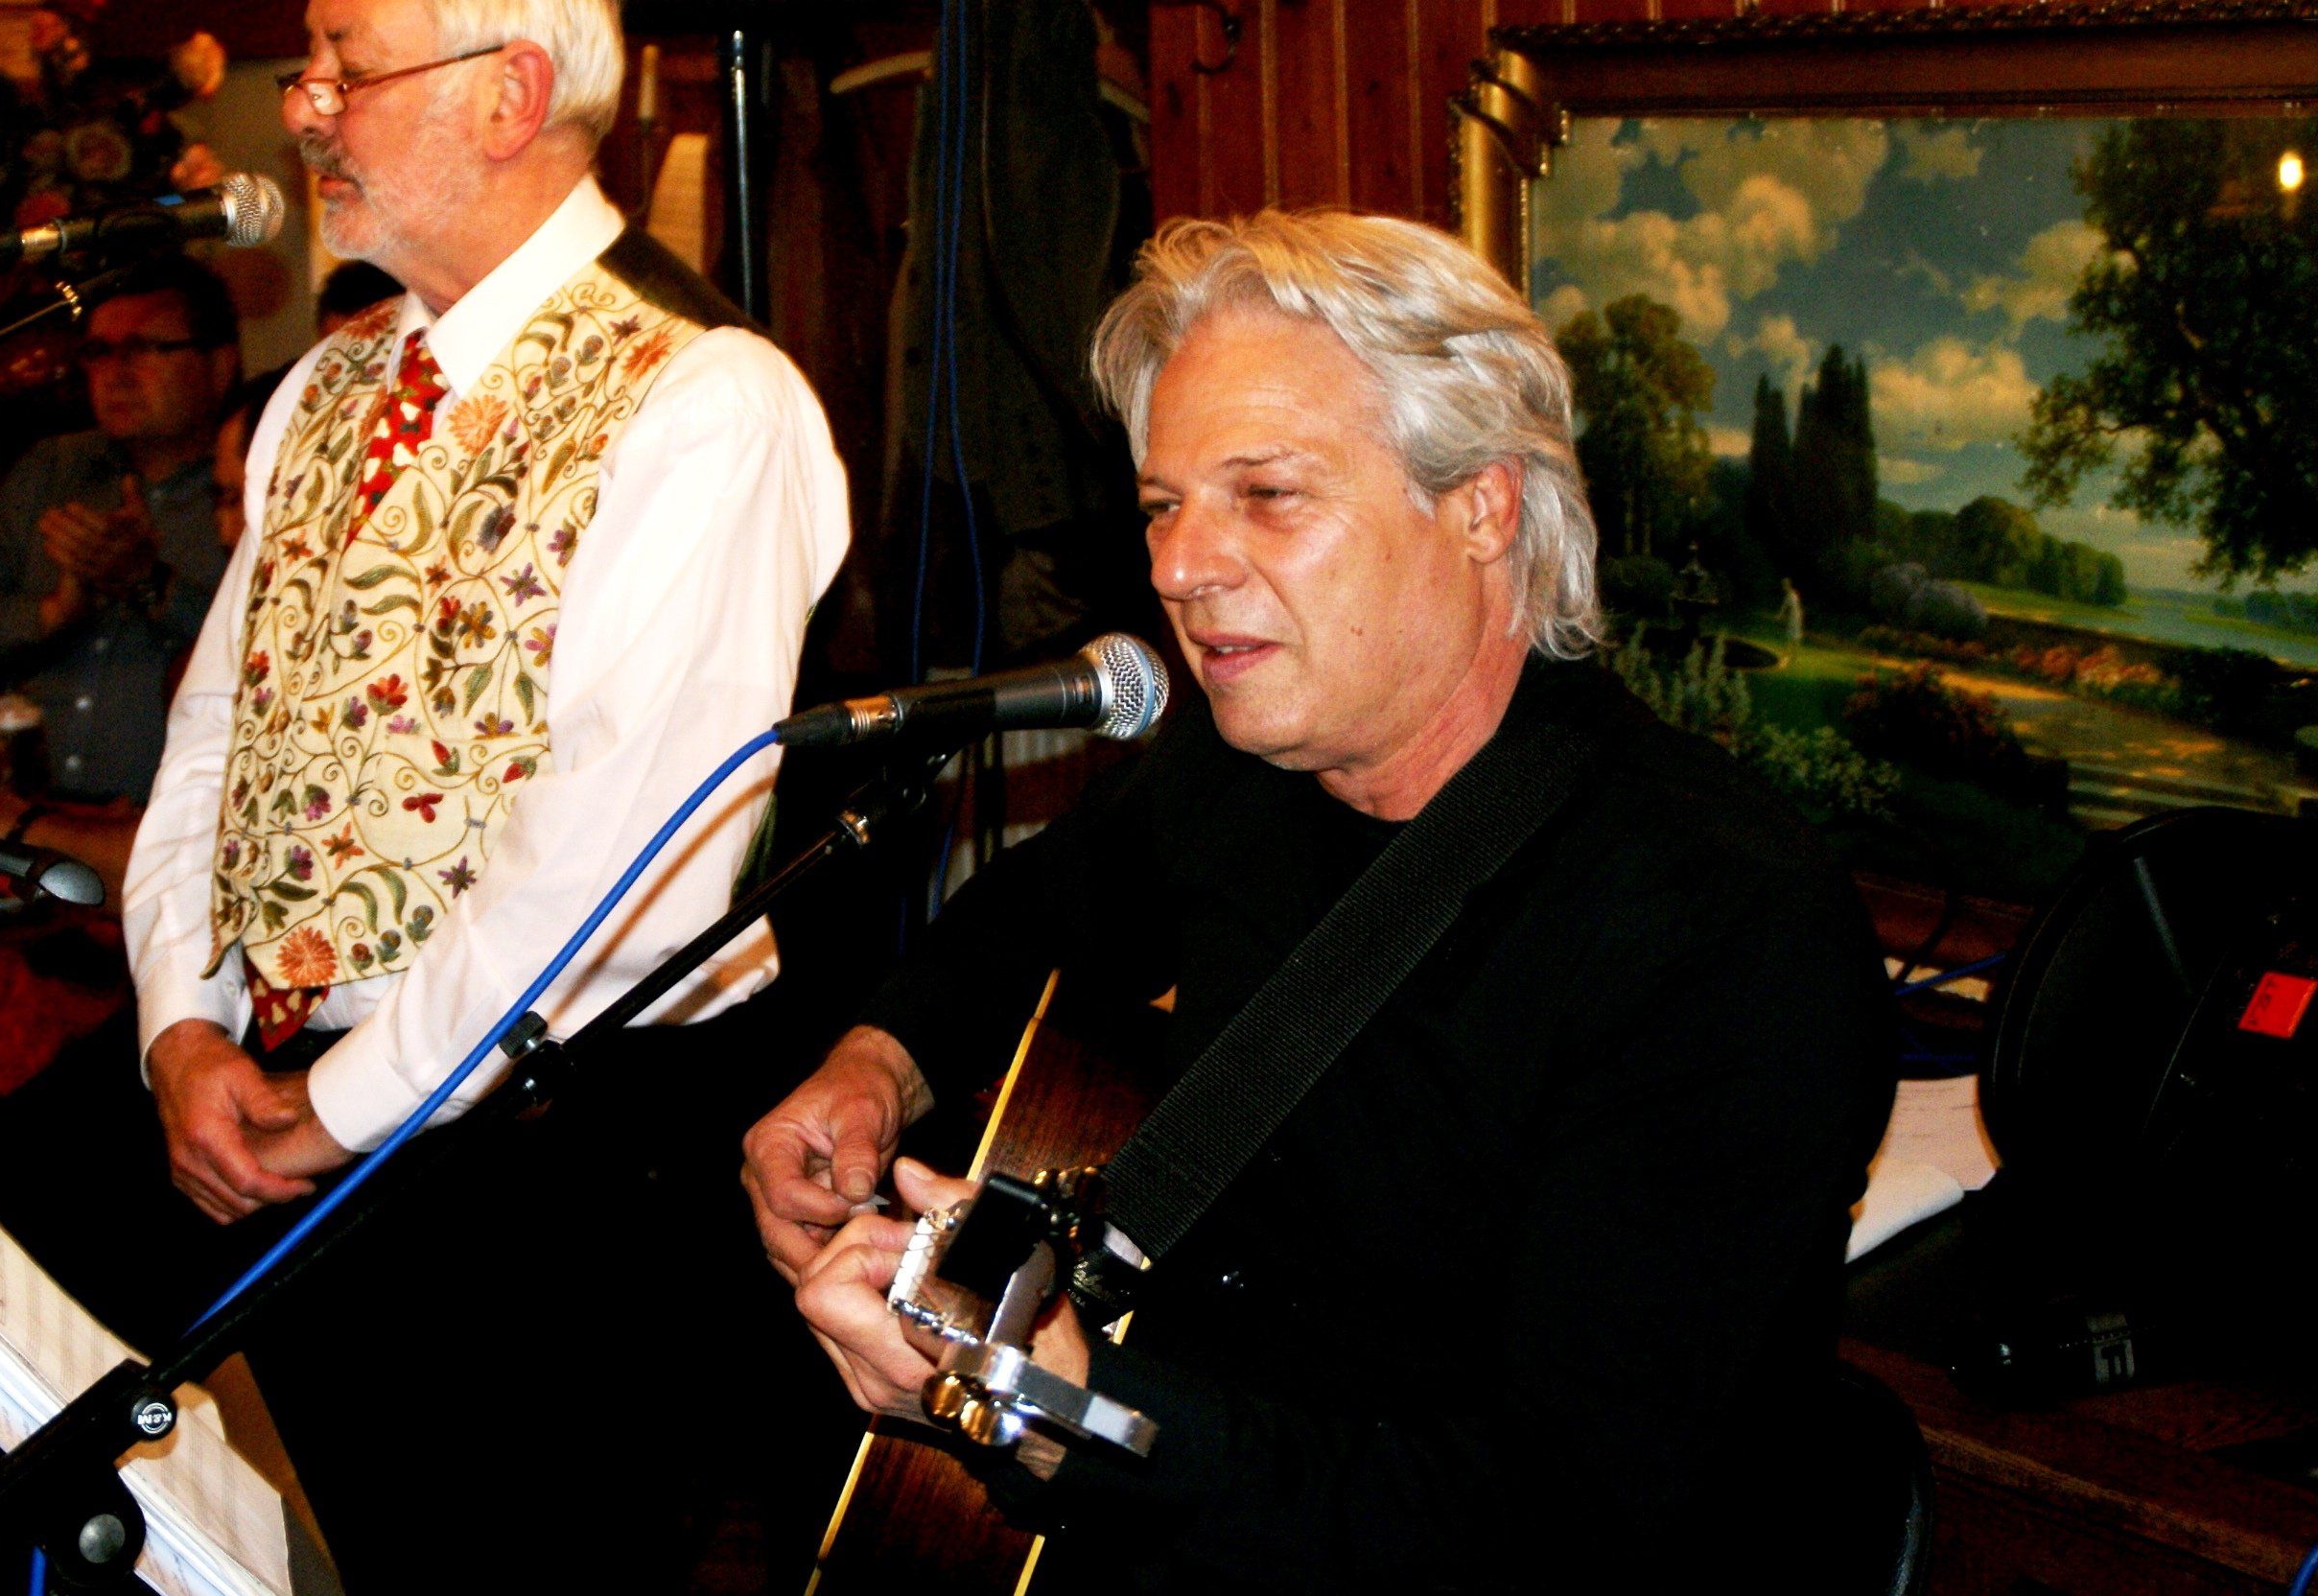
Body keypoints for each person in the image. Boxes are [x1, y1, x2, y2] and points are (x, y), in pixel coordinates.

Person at [743, 211, 1893, 1590]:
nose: (1179, 567)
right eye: (1164, 506)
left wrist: (1077, 1420)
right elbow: (1028, 915)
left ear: (1482, 505)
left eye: (1268, 495)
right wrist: (876, 1067)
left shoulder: (1724, 928)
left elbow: (1563, 1519)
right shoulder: (1233, 772)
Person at [121, 0, 848, 1587]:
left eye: (344, 66)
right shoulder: (324, 387)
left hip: (561, 1176)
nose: (305, 112)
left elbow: (628, 863)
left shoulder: (703, 399)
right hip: (308, 1125)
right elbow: (217, 738)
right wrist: (180, 1025)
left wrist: (339, 1107)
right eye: (307, 69)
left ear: (510, 94)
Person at [0, 254, 237, 803]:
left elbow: (271, 658)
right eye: (98, 352)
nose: (117, 373)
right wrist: (51, 615)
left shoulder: (252, 482)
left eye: (143, 348)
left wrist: (150, 584)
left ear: (219, 366)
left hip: (172, 823)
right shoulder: (51, 471)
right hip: (26, 813)